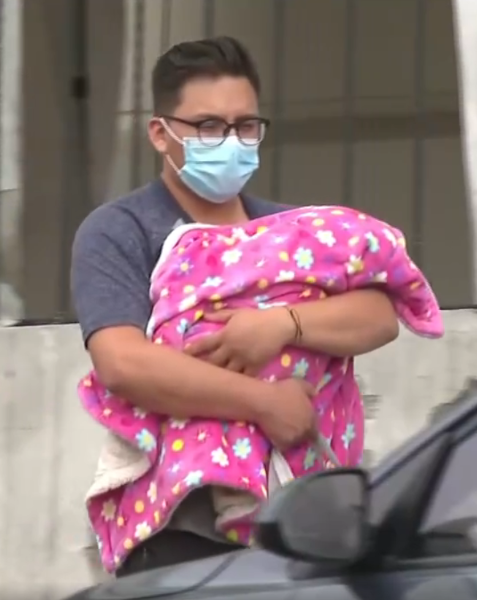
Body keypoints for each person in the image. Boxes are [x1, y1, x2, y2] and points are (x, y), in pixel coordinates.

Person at [71, 35, 399, 575]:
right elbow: (122, 364)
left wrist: (280, 326)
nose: (230, 141)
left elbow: (379, 315)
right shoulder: (121, 230)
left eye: (245, 126)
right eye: (208, 127)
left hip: (302, 524)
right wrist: (264, 403)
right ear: (160, 133)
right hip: (179, 531)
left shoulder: (291, 231)